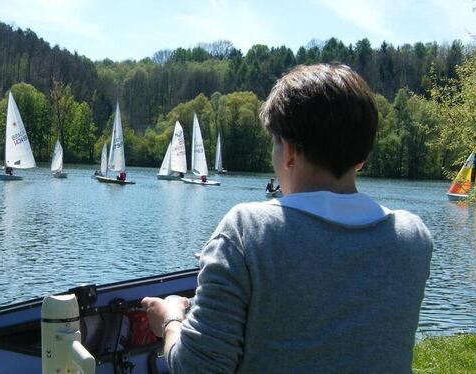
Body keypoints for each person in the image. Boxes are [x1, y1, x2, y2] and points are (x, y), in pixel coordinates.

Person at [142, 63, 432, 373]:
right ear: (361, 159)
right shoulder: (413, 237)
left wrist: (170, 319)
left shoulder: (245, 232)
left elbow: (194, 369)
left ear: (290, 151)